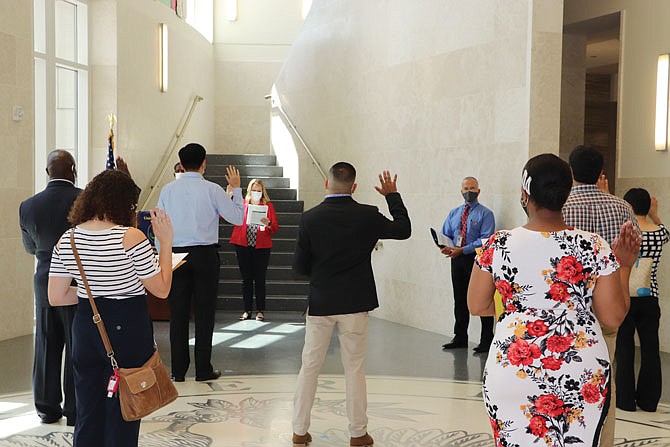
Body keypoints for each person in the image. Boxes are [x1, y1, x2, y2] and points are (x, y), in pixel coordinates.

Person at [468, 153, 640, 446]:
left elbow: (476, 305)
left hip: (513, 367)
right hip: (581, 372)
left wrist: (517, 307)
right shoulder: (594, 246)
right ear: (567, 192)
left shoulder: (497, 245)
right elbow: (612, 318)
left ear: (525, 194)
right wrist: (623, 266)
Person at [47, 170, 174, 446]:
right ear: (123, 204)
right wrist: (166, 243)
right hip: (127, 330)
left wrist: (92, 291)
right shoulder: (131, 237)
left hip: (86, 329)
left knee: (88, 411)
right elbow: (161, 288)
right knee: (124, 410)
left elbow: (56, 296)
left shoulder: (67, 239)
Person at [291, 163, 411, 447]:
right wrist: (392, 196)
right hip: (356, 302)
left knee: (309, 365)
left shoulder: (310, 218)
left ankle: (299, 430)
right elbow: (403, 230)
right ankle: (358, 433)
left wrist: (321, 275)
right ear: (354, 187)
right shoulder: (368, 215)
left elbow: (299, 267)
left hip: (321, 301)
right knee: (354, 368)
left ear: (326, 183)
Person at [562, 145, 639, 445]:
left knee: (566, 382)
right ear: (600, 171)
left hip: (570, 309)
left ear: (571, 171)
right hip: (609, 306)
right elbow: (633, 250)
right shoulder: (622, 208)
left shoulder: (562, 206)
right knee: (605, 386)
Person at [158, 143, 244, 382]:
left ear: (181, 165)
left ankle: (178, 370)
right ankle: (203, 369)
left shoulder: (168, 190)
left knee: (178, 314)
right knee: (205, 313)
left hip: (176, 254)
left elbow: (159, 225)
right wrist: (236, 190)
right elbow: (237, 218)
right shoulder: (213, 189)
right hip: (205, 255)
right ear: (204, 163)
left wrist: (161, 255)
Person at [19, 150, 80, 426]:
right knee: (76, 343)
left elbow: (30, 247)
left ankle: (47, 408)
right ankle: (75, 408)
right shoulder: (84, 200)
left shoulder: (28, 206)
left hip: (44, 278)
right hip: (75, 280)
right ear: (73, 170)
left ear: (47, 172)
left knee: (46, 343)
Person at [616, 189, 669, 412]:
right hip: (650, 296)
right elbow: (666, 231)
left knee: (625, 347)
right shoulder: (659, 233)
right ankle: (648, 401)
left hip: (625, 294)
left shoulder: (626, 233)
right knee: (650, 348)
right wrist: (654, 214)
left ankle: (625, 401)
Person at [440, 177, 495, 353]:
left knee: (482, 299)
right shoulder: (454, 212)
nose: (468, 191)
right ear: (461, 190)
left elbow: (485, 239)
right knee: (460, 299)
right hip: (457, 260)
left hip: (477, 260)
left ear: (478, 191)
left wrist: (463, 250)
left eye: (472, 188)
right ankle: (460, 337)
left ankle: (486, 340)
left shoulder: (486, 214)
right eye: (465, 188)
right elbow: (445, 232)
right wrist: (445, 246)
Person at [229, 179, 279, 321]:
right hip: (243, 245)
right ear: (249, 191)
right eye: (254, 190)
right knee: (246, 279)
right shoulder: (243, 205)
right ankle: (247, 309)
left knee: (260, 279)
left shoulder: (268, 206)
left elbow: (275, 227)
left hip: (261, 246)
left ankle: (260, 310)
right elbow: (226, 215)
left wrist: (268, 224)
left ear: (262, 192)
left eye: (259, 190)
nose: (256, 193)